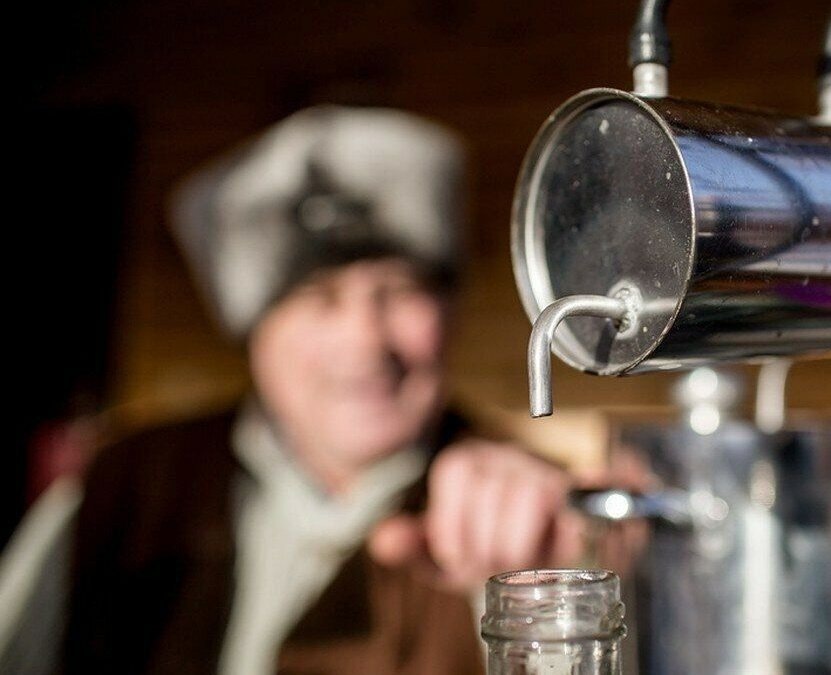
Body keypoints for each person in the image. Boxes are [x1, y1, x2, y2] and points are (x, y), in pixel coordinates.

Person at [0, 106, 589, 674]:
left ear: (451, 313)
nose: (365, 340)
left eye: (399, 290)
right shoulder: (118, 490)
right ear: (252, 330)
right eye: (318, 298)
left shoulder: (529, 512)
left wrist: (548, 586)